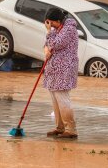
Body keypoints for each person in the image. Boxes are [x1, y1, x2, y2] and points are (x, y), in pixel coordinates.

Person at [43, 8, 79, 138]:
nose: (50, 25)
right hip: (53, 70)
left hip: (64, 69)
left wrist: (48, 32)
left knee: (63, 99)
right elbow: (47, 45)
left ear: (58, 20)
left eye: (51, 23)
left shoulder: (69, 30)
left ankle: (71, 129)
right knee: (55, 99)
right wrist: (46, 50)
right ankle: (60, 127)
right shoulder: (57, 30)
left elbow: (56, 44)